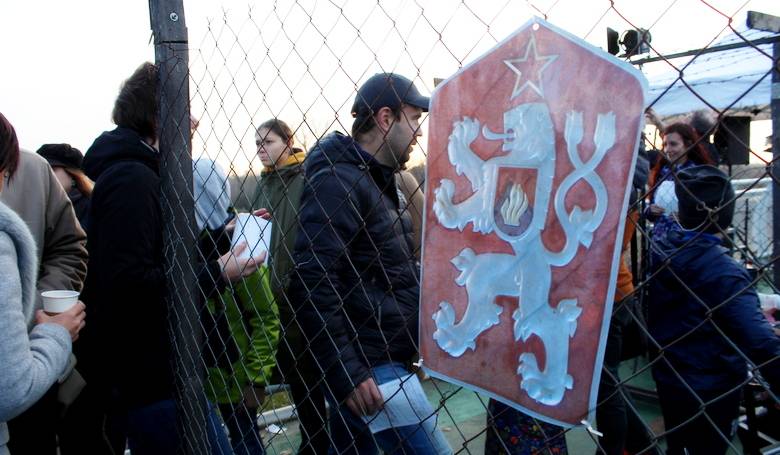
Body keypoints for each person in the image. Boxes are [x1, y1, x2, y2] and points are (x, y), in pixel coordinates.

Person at [78, 62, 258, 454]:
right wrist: (216, 273)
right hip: (150, 379)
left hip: (155, 376)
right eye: (184, 109)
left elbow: (158, 255)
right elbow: (130, 284)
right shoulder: (131, 179)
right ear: (158, 116)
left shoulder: (138, 172)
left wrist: (218, 239)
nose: (194, 122)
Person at [288, 73, 451, 454]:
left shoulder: (377, 181)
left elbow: (384, 271)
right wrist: (347, 372)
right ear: (385, 118)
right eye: (414, 118)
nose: (419, 132)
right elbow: (312, 278)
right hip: (372, 369)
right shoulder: (338, 181)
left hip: (382, 358)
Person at [648, 165, 780, 455]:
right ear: (724, 214)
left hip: (671, 374)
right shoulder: (724, 272)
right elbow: (761, 343)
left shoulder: (664, 248)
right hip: (712, 385)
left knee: (680, 445)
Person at [0, 111, 87, 455]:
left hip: (38, 362)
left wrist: (38, 306)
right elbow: (10, 391)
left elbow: (70, 247)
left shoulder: (33, 170)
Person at [251, 119, 330, 454]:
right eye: (257, 143)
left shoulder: (307, 177)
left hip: (303, 292)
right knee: (299, 377)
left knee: (315, 373)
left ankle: (325, 439)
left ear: (288, 141)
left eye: (267, 142)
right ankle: (314, 439)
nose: (261, 149)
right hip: (273, 296)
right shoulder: (263, 183)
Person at [195, 158, 280, 455]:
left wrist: (256, 379)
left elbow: (266, 317)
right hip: (203, 375)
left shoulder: (240, 244)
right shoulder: (190, 246)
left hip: (237, 379)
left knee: (246, 441)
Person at [646, 122, 714, 241]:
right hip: (660, 239)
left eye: (673, 144)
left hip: (687, 240)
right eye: (665, 144)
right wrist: (650, 210)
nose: (667, 149)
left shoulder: (698, 174)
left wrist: (688, 217)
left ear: (688, 145)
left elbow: (707, 211)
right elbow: (651, 205)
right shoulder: (662, 172)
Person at [36, 143, 93, 229]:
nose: (44, 174)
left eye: (52, 169)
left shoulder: (91, 208)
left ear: (72, 174)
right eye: (40, 170)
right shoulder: (34, 205)